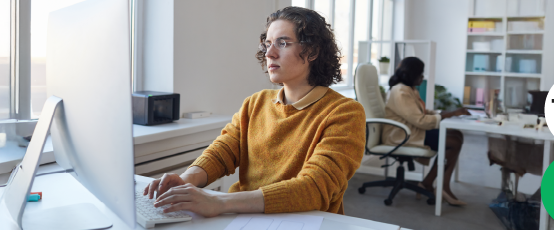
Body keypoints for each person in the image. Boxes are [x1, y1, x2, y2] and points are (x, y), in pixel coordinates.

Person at [142, 6, 366, 217]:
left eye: (283, 43)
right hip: (243, 216)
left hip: (303, 221)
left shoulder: (345, 113)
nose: (270, 53)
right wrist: (187, 180)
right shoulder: (256, 103)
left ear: (312, 51)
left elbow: (315, 188)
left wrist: (219, 203)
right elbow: (223, 152)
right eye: (267, 44)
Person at [381, 57, 470, 206]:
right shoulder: (401, 91)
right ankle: (437, 185)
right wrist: (450, 114)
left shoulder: (409, 89)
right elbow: (420, 120)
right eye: (421, 74)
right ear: (412, 74)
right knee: (453, 142)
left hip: (411, 130)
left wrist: (450, 113)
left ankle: (433, 184)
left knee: (457, 135)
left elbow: (421, 112)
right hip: (401, 135)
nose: (423, 77)